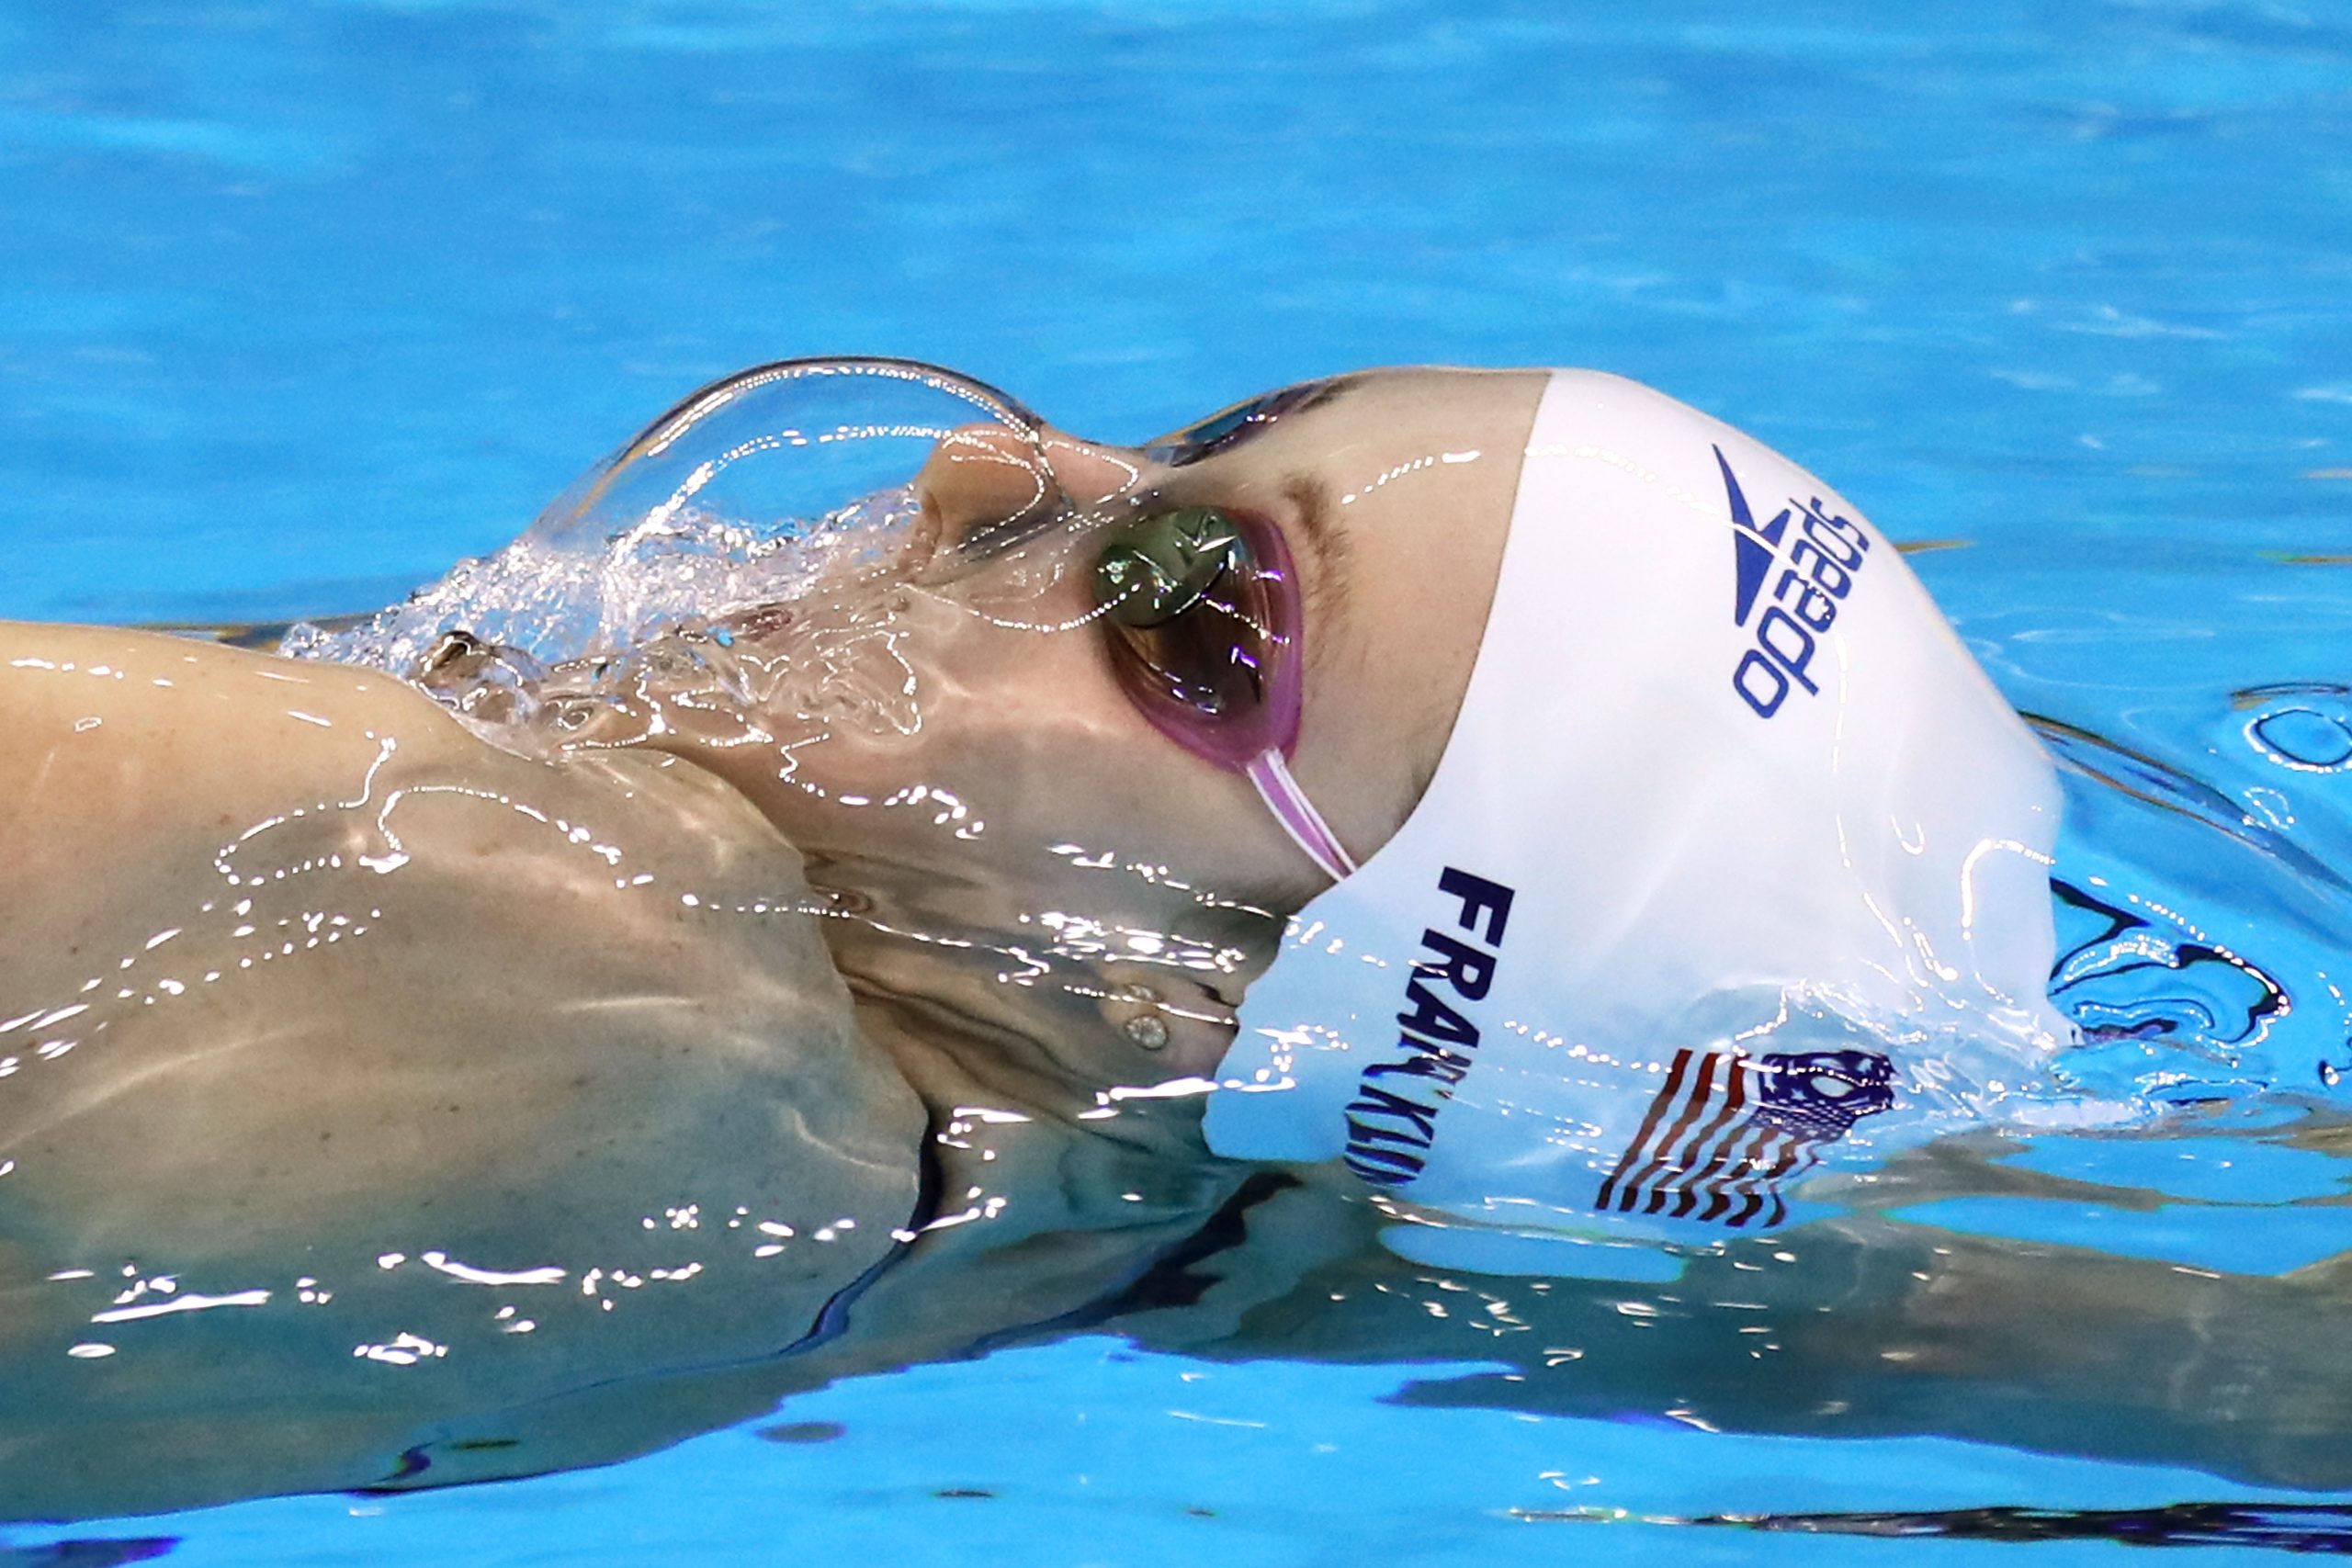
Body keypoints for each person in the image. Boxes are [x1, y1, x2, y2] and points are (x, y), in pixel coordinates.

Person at [0, 357, 2323, 1517]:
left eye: (1192, 608)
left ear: (1265, 984)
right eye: (1186, 440)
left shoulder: (439, 857)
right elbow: (2074, 1348)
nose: (996, 475)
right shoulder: (1111, 1235)